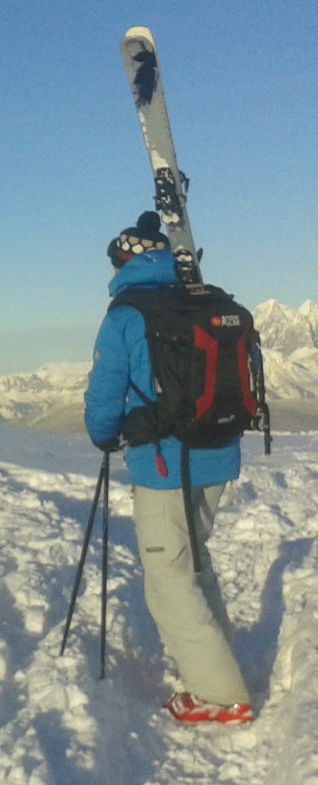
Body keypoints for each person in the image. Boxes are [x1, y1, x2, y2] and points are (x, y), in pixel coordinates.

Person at [83, 211, 252, 724]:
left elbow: (105, 393)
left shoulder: (126, 314)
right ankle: (218, 665)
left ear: (125, 260)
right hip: (218, 453)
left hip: (162, 464)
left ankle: (221, 696)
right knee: (195, 563)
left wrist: (103, 435)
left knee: (168, 581)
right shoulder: (208, 301)